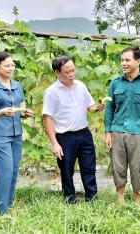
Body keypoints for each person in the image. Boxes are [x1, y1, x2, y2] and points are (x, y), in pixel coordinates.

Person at [42, 56, 104, 204]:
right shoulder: (51, 92)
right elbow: (47, 118)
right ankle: (70, 200)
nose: (71, 74)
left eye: (73, 70)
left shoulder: (80, 85)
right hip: (64, 137)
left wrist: (97, 107)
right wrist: (54, 143)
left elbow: (90, 106)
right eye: (67, 72)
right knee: (66, 170)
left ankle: (92, 198)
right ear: (57, 72)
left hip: (84, 134)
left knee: (89, 166)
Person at [0, 52, 34, 214]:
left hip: (16, 135)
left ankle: (7, 207)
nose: (11, 68)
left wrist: (25, 112)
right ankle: (1, 211)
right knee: (5, 172)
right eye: (7, 66)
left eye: (13, 65)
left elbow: (20, 110)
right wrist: (1, 112)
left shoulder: (17, 85)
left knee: (14, 171)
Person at [104, 46, 140, 204]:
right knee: (118, 166)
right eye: (122, 60)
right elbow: (109, 109)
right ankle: (120, 199)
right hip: (117, 131)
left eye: (127, 60)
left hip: (139, 131)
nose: (123, 63)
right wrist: (107, 132)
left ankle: (137, 200)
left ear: (138, 61)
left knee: (138, 167)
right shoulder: (115, 83)